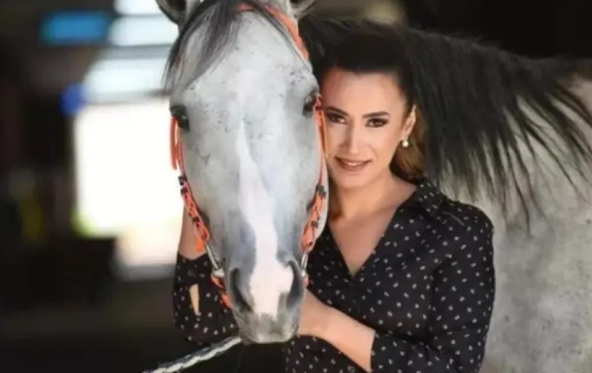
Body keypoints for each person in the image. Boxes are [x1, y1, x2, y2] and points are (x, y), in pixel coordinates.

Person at [172, 32, 496, 373]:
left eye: (375, 122)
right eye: (337, 118)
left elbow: (456, 368)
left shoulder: (457, 231)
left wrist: (325, 323)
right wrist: (202, 176)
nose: (353, 145)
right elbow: (202, 324)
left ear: (407, 125)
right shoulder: (286, 229)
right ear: (313, 119)